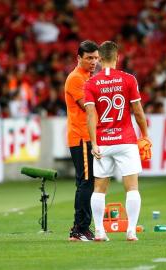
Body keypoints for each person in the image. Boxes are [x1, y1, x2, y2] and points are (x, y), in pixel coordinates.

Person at [84, 41, 150, 241]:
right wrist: (145, 135)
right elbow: (137, 111)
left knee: (99, 189)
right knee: (132, 187)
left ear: (100, 59)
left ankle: (99, 231)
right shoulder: (128, 79)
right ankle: (131, 230)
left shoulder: (91, 83)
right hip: (126, 141)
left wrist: (94, 143)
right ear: (117, 57)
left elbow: (90, 115)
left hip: (103, 142)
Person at [64, 40, 99, 241]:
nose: (93, 62)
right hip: (81, 137)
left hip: (87, 136)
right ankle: (79, 229)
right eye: (89, 58)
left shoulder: (88, 76)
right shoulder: (76, 79)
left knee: (87, 182)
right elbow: (89, 107)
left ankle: (82, 227)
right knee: (86, 182)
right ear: (79, 58)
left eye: (95, 58)